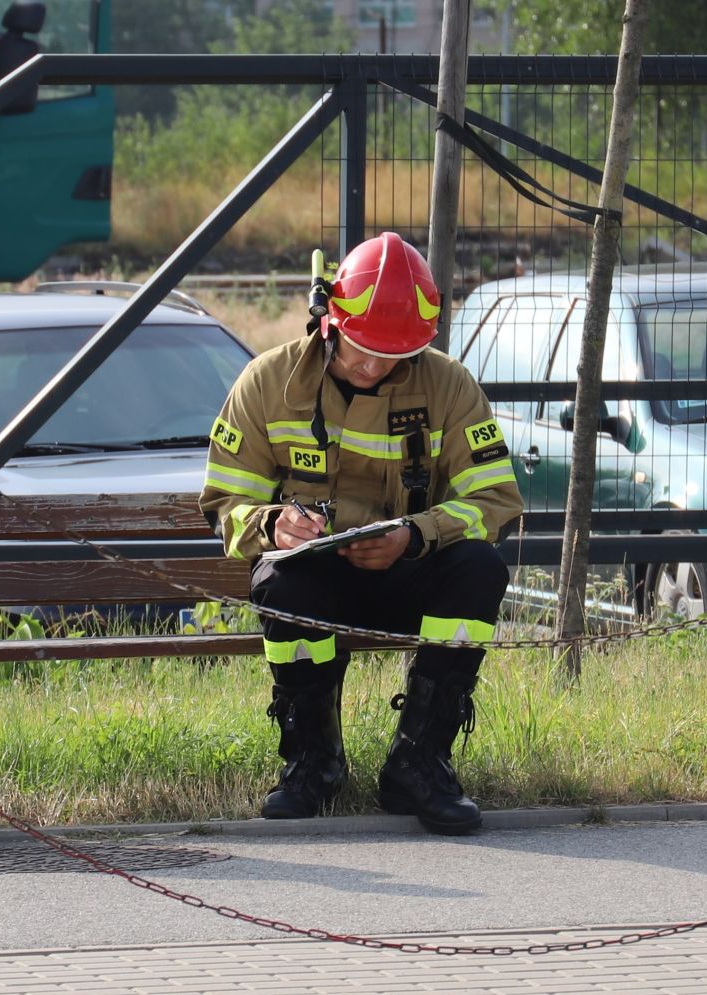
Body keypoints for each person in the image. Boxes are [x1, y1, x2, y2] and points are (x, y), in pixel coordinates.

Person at [199, 232, 524, 836]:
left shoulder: (447, 385)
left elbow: (497, 499)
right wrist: (275, 525)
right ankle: (313, 764)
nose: (375, 367)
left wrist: (418, 534)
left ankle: (419, 764)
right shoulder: (268, 383)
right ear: (329, 321)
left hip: (410, 578)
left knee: (480, 567)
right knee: (278, 579)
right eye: (362, 349)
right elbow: (224, 501)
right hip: (316, 586)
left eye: (393, 355)